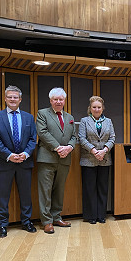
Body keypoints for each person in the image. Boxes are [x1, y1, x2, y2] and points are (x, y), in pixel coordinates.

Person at [0, 85, 37, 238]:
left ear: (20, 99)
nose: (12, 99)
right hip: (4, 163)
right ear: (5, 98)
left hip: (24, 162)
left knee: (25, 194)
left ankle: (26, 221)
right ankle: (2, 224)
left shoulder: (29, 117)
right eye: (9, 97)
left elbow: (32, 139)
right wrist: (9, 155)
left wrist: (25, 153)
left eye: (15, 97)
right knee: (2, 195)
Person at [36, 87, 76, 234]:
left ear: (64, 101)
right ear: (50, 100)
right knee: (45, 191)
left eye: (61, 99)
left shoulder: (69, 117)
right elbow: (42, 133)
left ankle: (56, 217)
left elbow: (74, 136)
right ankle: (47, 222)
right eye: (55, 99)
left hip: (64, 159)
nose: (58, 101)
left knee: (59, 191)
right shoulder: (42, 114)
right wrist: (59, 148)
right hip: (47, 158)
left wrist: (70, 147)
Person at [78, 96, 115, 224]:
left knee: (102, 188)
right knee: (90, 188)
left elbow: (112, 138)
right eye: (94, 107)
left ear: (102, 108)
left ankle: (101, 215)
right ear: (90, 108)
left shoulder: (109, 121)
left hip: (104, 159)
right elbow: (82, 138)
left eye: (99, 107)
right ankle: (91, 216)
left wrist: (104, 150)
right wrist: (94, 151)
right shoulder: (84, 121)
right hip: (88, 159)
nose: (96, 109)